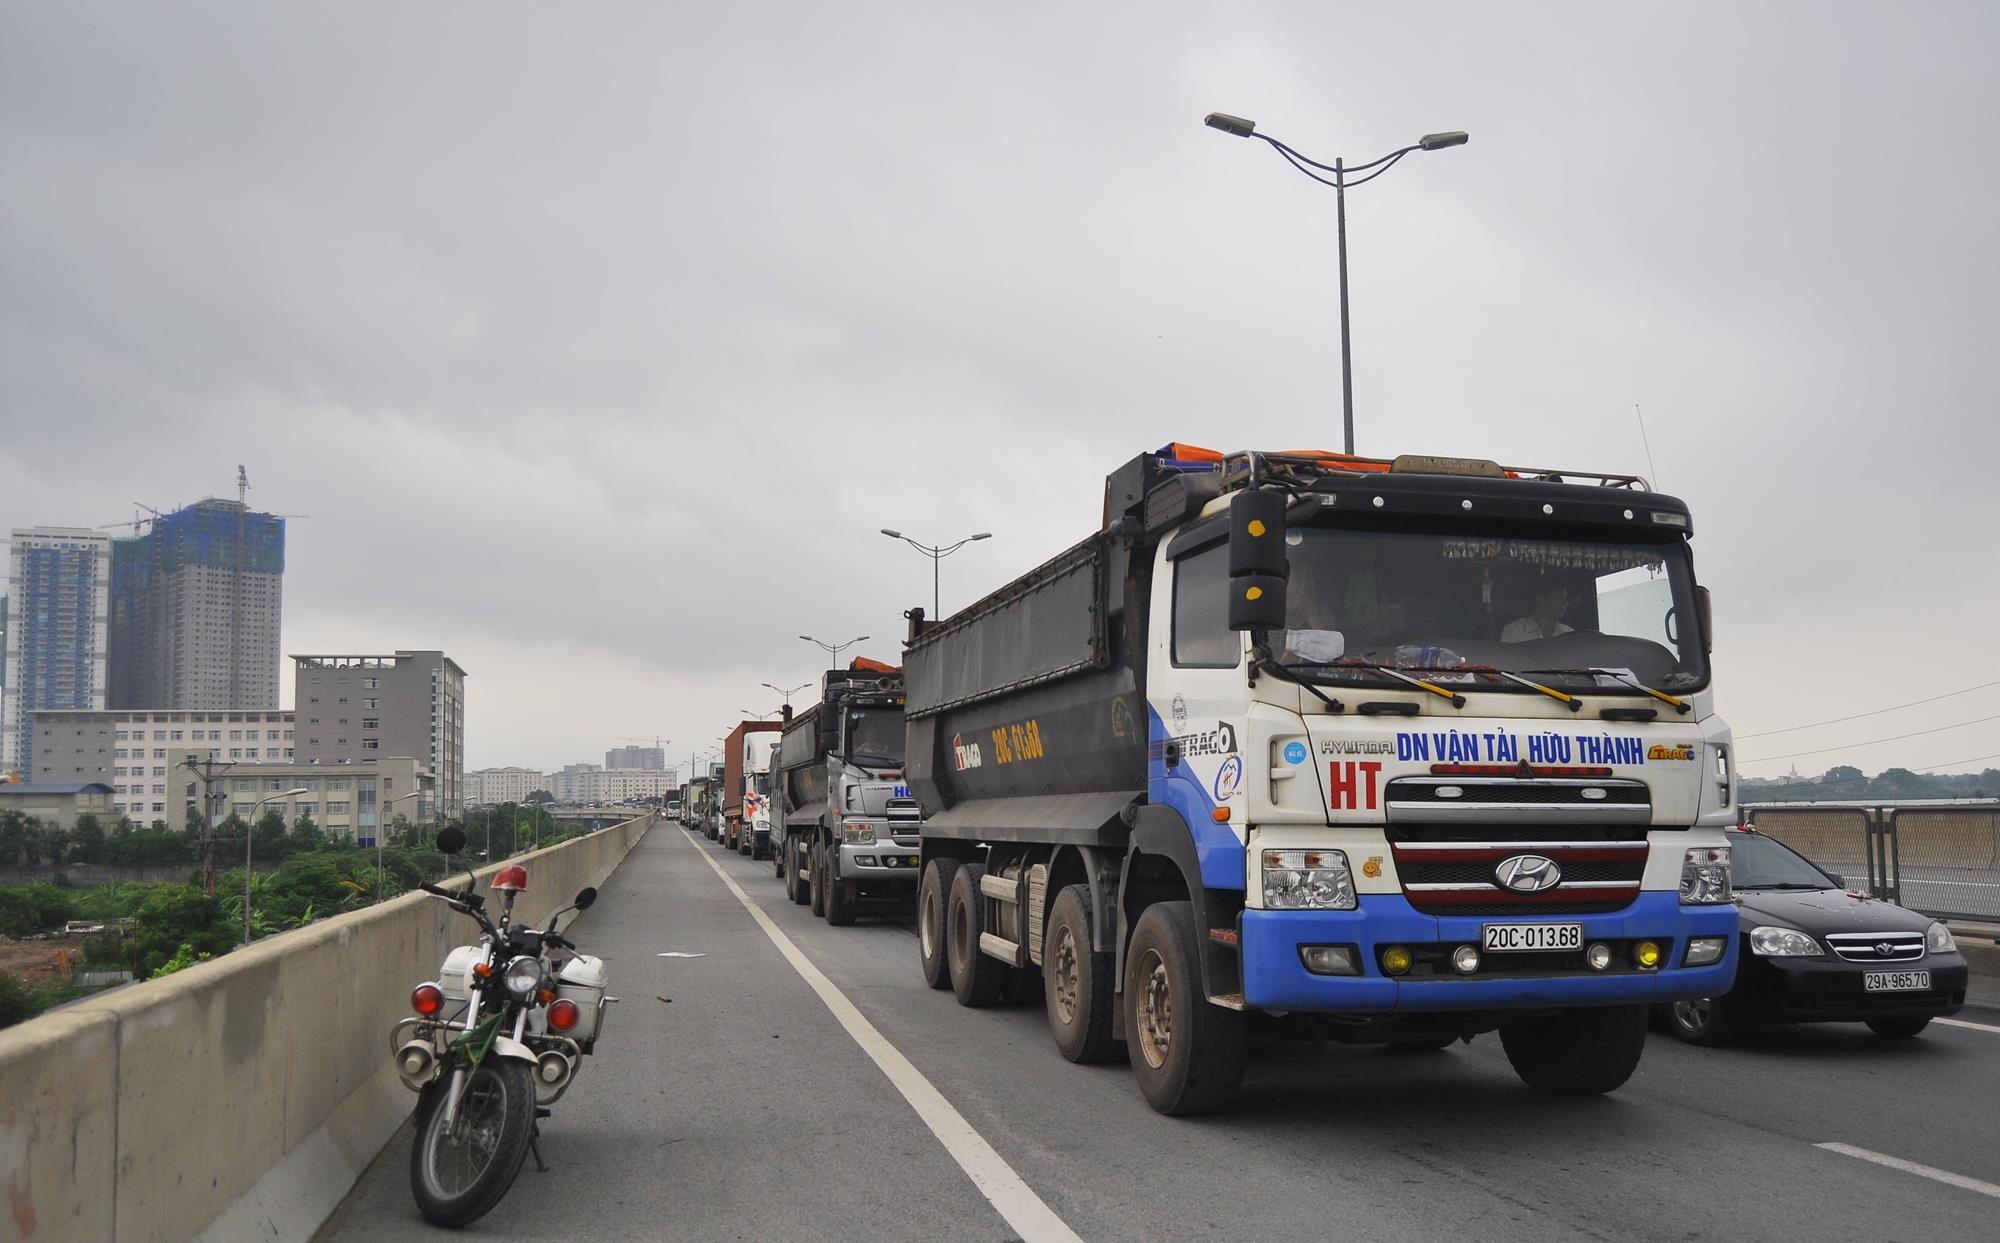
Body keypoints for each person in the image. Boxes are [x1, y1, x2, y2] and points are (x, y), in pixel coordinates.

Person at [1501, 583, 1574, 642]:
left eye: (1565, 598)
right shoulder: (1514, 631)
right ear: (1539, 599)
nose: (1566, 603)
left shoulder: (1569, 633)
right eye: (1558, 597)